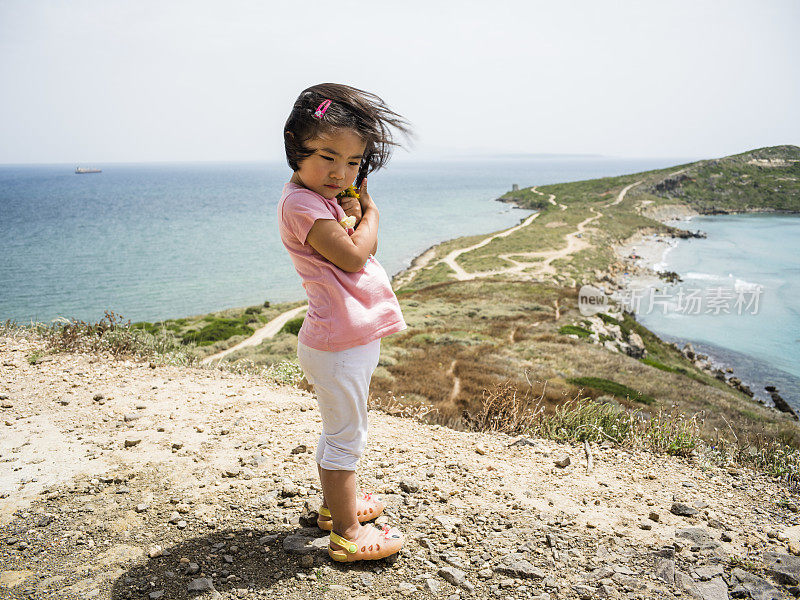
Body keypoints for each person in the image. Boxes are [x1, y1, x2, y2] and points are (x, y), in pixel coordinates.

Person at [276, 83, 416, 562]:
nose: (341, 173)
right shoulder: (301, 205)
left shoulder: (321, 200)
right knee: (345, 438)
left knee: (342, 430)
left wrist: (353, 212)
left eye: (354, 163)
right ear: (296, 147)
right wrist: (372, 213)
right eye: (328, 157)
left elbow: (350, 245)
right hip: (337, 345)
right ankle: (348, 534)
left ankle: (338, 509)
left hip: (343, 341)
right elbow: (356, 256)